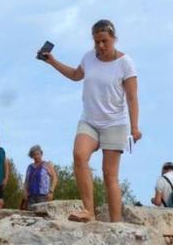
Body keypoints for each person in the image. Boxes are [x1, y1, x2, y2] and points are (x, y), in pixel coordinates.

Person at [40, 19, 139, 222]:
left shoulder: (125, 63)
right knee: (79, 155)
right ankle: (89, 211)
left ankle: (116, 223)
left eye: (104, 41)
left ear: (114, 38)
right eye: (96, 42)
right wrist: (52, 61)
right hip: (90, 121)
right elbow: (76, 75)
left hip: (115, 123)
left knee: (109, 175)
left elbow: (132, 97)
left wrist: (135, 127)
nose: (100, 46)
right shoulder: (88, 58)